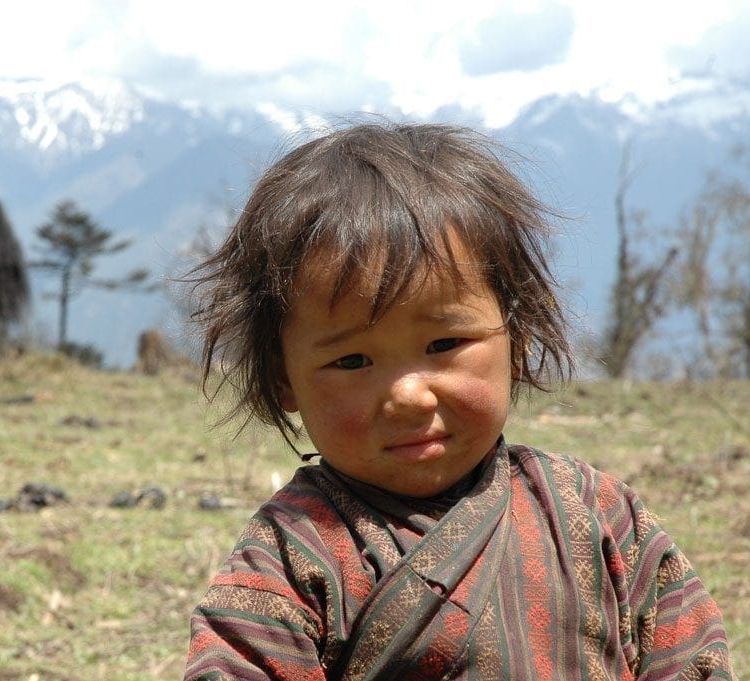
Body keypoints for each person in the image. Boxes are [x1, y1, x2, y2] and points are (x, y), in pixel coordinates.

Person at [183, 122, 736, 680]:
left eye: (444, 344)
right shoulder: (291, 554)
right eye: (352, 361)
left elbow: (691, 661)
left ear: (516, 340)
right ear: (284, 381)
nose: (408, 396)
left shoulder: (600, 517)